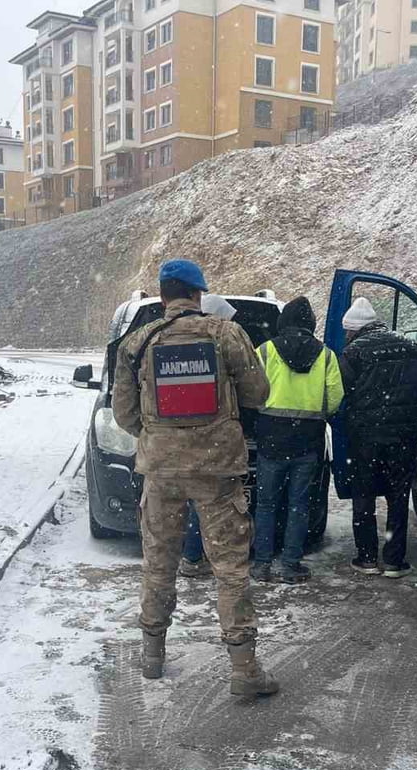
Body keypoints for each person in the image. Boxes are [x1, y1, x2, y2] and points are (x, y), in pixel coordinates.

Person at [112, 260, 276, 697]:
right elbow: (258, 394)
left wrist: (160, 437)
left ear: (164, 295)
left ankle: (152, 655)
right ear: (198, 294)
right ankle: (244, 669)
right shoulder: (226, 334)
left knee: (159, 564)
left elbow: (124, 413)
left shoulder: (138, 342)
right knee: (230, 569)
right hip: (217, 469)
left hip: (161, 471)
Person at [339, 296, 417, 577]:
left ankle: (367, 558)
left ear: (355, 329)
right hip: (403, 435)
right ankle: (394, 560)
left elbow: (341, 392)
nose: (345, 336)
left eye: (347, 331)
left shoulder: (353, 352)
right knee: (398, 494)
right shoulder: (410, 346)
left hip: (365, 436)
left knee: (364, 494)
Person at [252, 296, 344, 584]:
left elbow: (251, 389)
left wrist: (263, 411)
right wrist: (315, 411)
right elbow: (335, 397)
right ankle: (291, 564)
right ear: (311, 324)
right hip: (308, 440)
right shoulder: (326, 356)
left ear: (283, 322)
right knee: (298, 504)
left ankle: (262, 564)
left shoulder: (265, 350)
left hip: (271, 439)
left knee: (266, 504)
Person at [179, 294, 239, 580]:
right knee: (211, 502)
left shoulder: (180, 346)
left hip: (187, 440)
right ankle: (199, 557)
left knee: (198, 501)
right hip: (212, 439)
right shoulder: (218, 349)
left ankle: (193, 556)